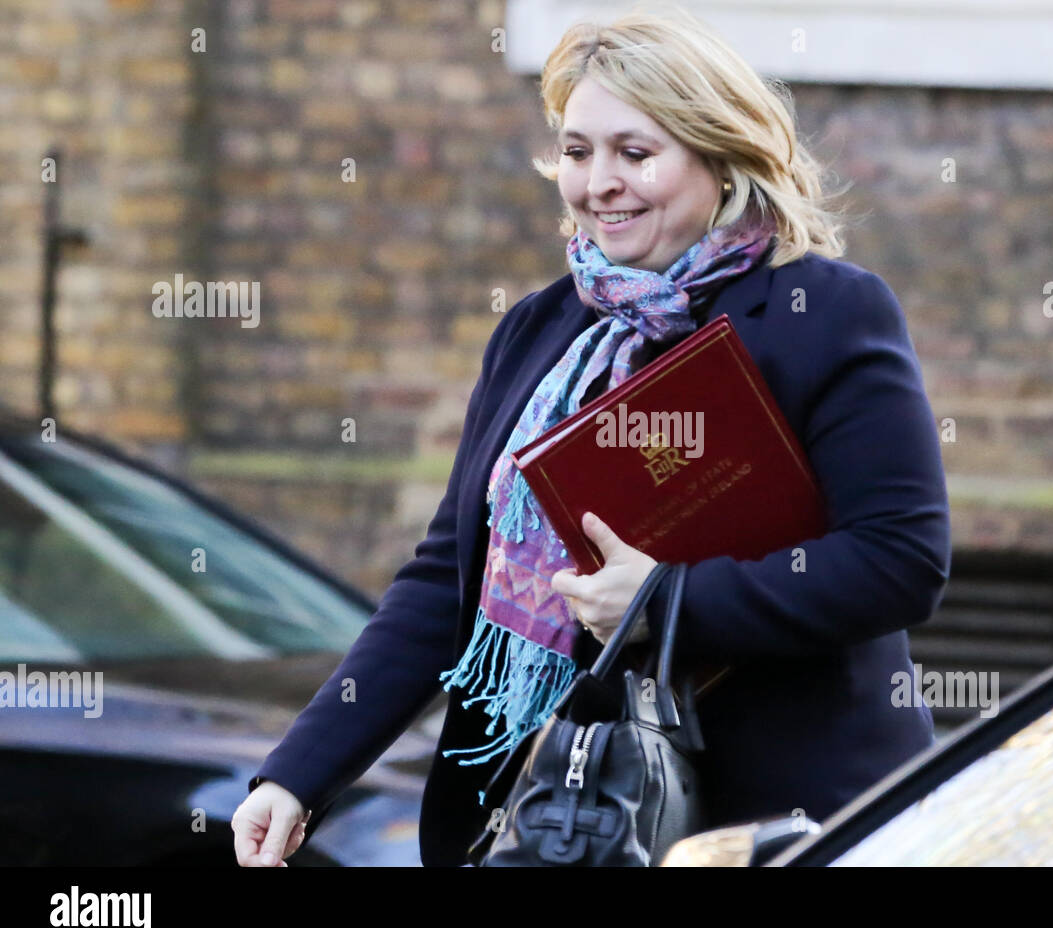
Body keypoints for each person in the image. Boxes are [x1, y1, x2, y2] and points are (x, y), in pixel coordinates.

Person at [232, 8, 950, 868]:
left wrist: (665, 601)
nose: (598, 182)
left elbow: (901, 561)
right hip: (562, 820)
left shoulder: (823, 311)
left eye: (635, 153)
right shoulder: (539, 331)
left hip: (786, 822)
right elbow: (446, 577)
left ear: (719, 156)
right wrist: (299, 775)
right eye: (578, 152)